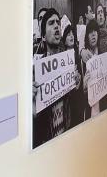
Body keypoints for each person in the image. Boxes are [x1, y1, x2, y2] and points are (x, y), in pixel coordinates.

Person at [32, 9, 81, 148]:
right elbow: (34, 117)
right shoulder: (35, 70)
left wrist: (76, 85)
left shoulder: (68, 62)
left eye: (58, 23)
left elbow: (75, 105)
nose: (56, 26)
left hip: (68, 137)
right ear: (43, 36)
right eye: (51, 23)